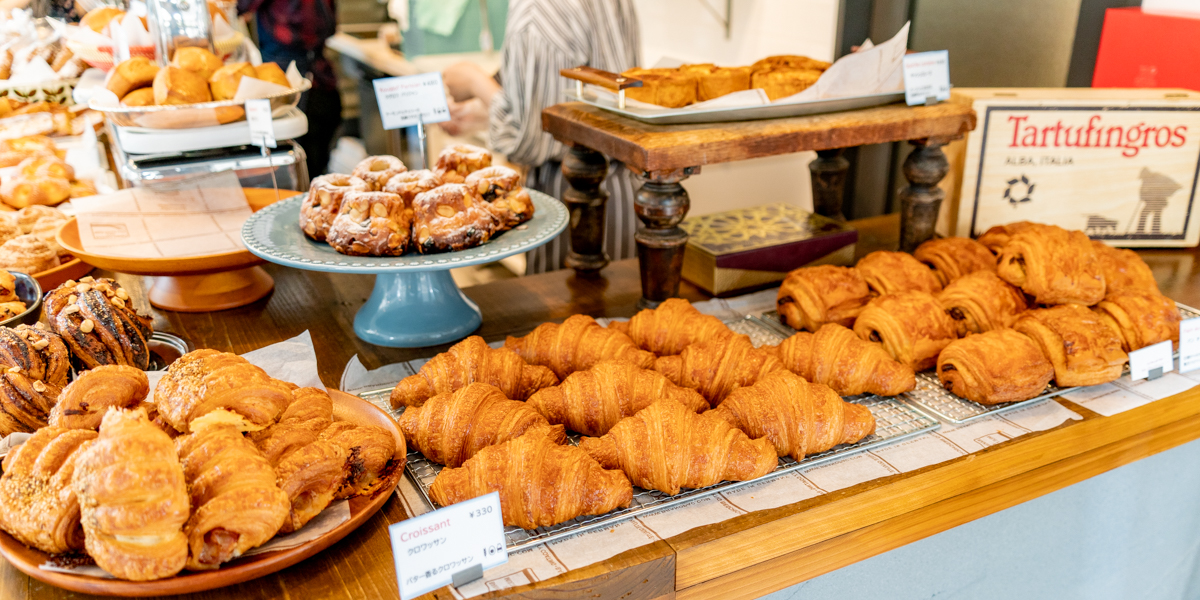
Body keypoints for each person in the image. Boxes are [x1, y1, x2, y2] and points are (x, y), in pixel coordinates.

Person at [440, 0, 641, 274]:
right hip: (624, 190)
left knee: (569, 312)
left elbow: (530, 142)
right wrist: (484, 112)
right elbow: (578, 97)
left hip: (574, 197)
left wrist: (475, 81)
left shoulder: (536, 9)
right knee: (618, 310)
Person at [238, 0, 341, 178]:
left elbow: (238, 7)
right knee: (307, 166)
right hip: (300, 78)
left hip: (303, 81)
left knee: (306, 166)